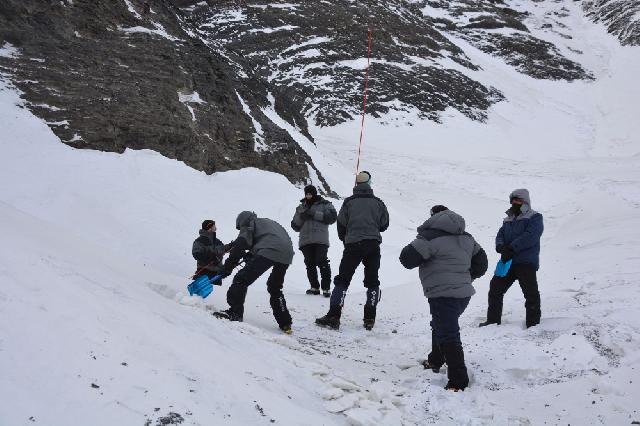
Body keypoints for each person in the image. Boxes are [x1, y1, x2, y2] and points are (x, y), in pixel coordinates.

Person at [399, 205, 488, 391]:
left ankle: (458, 381)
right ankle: (435, 360)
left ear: (434, 218)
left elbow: (406, 259)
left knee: (449, 334)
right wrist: (465, 278)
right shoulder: (467, 238)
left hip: (442, 294)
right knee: (440, 325)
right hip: (463, 294)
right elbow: (482, 264)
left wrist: (420, 243)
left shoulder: (430, 238)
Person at [315, 171, 389, 330]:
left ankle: (334, 316)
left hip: (353, 244)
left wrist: (345, 239)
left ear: (356, 184)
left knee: (343, 280)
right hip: (373, 244)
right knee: (372, 281)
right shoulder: (379, 203)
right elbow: (384, 224)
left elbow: (341, 223)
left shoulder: (349, 202)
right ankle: (370, 318)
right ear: (369, 183)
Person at [215, 211, 295, 334]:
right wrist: (252, 254)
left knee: (241, 279)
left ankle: (235, 313)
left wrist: (228, 266)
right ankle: (285, 322)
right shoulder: (267, 222)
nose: (241, 230)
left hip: (270, 250)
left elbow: (241, 244)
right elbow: (266, 239)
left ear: (242, 221)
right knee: (275, 287)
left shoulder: (249, 224)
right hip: (287, 254)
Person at [479, 189, 544, 328]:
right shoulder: (508, 219)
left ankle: (533, 324)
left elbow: (531, 236)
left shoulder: (535, 217)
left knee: (530, 293)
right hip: (507, 262)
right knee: (495, 289)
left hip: (525, 262)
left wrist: (511, 248)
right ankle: (492, 320)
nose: (515, 203)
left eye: (518, 200)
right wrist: (501, 247)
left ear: (525, 201)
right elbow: (500, 235)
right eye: (513, 200)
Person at [291, 184, 337, 297]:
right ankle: (314, 287)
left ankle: (326, 288)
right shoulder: (301, 207)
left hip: (320, 239)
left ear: (315, 193)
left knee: (322, 261)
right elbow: (295, 226)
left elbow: (332, 217)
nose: (308, 195)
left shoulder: (325, 204)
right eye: (307, 193)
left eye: (310, 193)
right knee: (309, 263)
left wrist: (314, 214)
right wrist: (301, 217)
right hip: (305, 240)